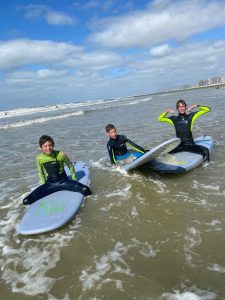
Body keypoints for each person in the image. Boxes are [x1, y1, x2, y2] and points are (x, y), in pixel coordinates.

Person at [23, 135, 91, 205]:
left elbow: (70, 166)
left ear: (53, 145)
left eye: (50, 145)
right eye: (45, 146)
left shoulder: (61, 155)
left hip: (64, 182)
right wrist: (43, 186)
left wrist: (74, 179)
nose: (48, 148)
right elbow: (41, 173)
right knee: (26, 201)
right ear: (41, 147)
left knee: (85, 189)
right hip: (50, 184)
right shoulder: (39, 158)